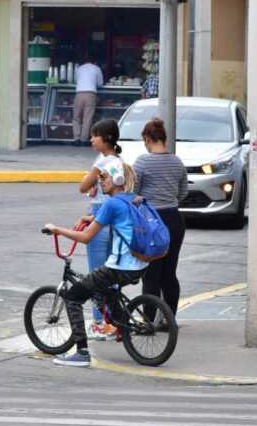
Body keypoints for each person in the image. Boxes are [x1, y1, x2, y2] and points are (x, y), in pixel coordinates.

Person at [45, 159, 148, 367]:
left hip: (119, 267)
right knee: (103, 288)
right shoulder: (131, 199)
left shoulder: (111, 203)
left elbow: (86, 238)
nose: (100, 181)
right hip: (139, 265)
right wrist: (91, 219)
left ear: (117, 179)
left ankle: (82, 353)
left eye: (104, 177)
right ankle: (121, 323)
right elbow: (118, 219)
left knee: (73, 297)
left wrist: (57, 229)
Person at [133, 118, 188, 323]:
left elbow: (132, 191)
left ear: (147, 139)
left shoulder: (142, 162)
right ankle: (168, 319)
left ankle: (148, 320)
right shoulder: (177, 161)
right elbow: (183, 192)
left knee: (151, 274)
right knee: (169, 273)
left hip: (151, 222)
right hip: (174, 219)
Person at [78, 119, 122, 341]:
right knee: (111, 273)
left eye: (95, 135)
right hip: (115, 220)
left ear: (107, 138)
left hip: (98, 217)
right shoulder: (120, 162)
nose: (91, 139)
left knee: (96, 274)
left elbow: (83, 186)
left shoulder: (102, 161)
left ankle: (99, 323)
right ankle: (114, 321)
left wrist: (90, 184)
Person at [72, 57, 104, 146]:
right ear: (95, 62)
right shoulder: (97, 68)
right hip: (90, 94)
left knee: (76, 117)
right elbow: (100, 83)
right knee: (87, 118)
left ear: (85, 61)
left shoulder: (79, 68)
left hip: (79, 94)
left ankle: (76, 139)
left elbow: (75, 81)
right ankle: (83, 139)